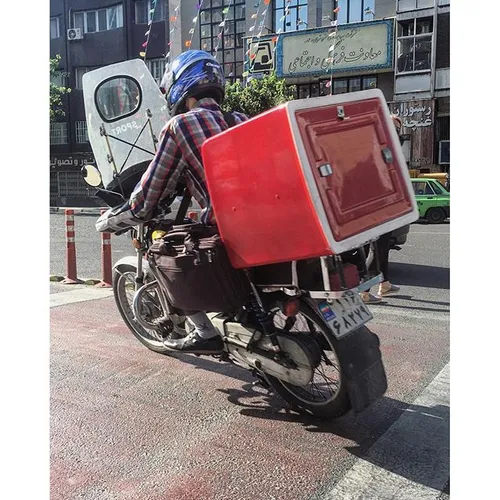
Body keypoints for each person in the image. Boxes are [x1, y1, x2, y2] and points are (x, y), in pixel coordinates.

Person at [95, 50, 248, 354]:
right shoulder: (239, 119)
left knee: (165, 252)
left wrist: (114, 219)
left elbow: (149, 193)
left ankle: (205, 331)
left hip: (227, 225)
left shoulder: (179, 127)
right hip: (266, 220)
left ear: (181, 89)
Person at [360, 114, 404, 304]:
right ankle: (363, 292)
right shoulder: (377, 148)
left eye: (399, 130)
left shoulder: (388, 149)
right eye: (394, 129)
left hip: (386, 203)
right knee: (377, 248)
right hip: (376, 205)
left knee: (384, 246)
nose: (397, 134)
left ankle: (384, 283)